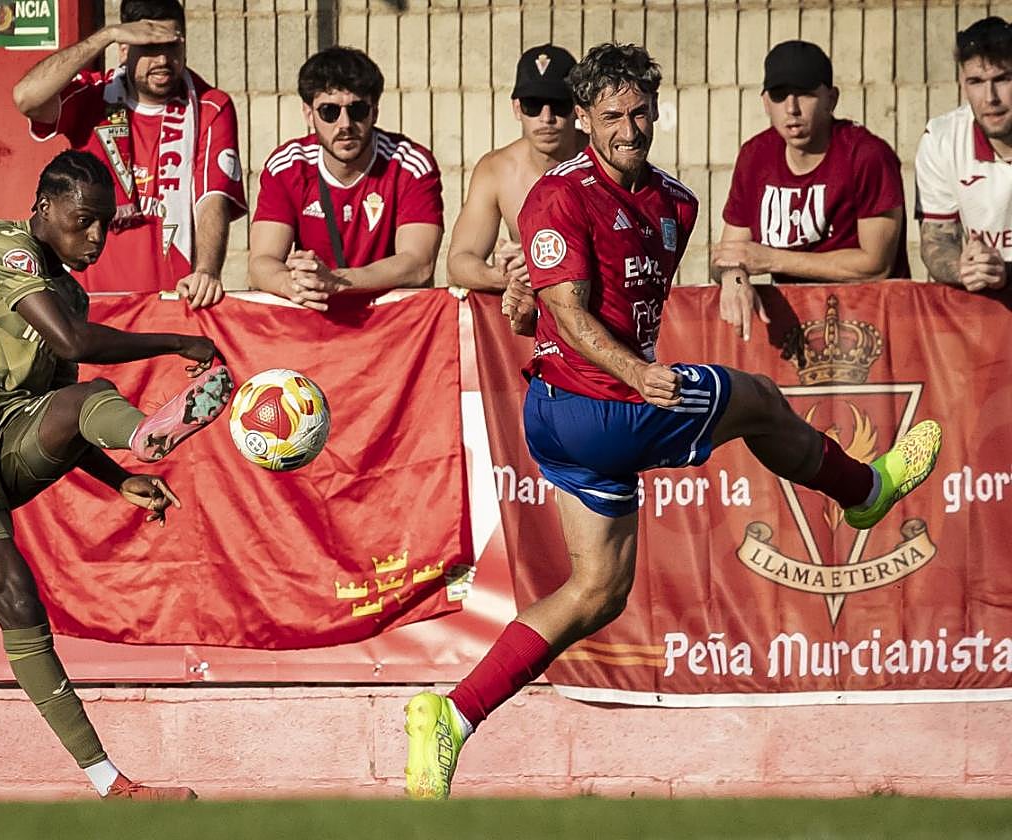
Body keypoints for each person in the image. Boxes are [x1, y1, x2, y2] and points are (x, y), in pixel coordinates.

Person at [403, 42, 943, 801]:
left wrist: (530, 307)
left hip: (571, 419)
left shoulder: (676, 205)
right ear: (584, 118)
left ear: (655, 110)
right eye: (610, 116)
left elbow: (541, 316)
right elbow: (568, 315)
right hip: (599, 407)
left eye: (638, 113)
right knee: (758, 398)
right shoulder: (558, 196)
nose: (627, 129)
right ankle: (864, 489)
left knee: (599, 591)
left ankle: (451, 715)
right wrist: (632, 371)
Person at [0, 150, 234, 800]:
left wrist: (119, 480)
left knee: (87, 398)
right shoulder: (0, 246)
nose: (97, 237)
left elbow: (63, 410)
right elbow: (73, 343)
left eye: (105, 223)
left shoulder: (71, 293)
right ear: (43, 207)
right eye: (84, 221)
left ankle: (141, 437)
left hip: (9, 441)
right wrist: (177, 341)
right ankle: (110, 783)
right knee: (18, 599)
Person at [12, 0, 246, 307]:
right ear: (124, 49)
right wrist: (105, 35)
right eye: (149, 47)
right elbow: (26, 98)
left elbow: (211, 200)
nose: (163, 59)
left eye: (172, 46)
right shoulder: (94, 93)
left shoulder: (209, 105)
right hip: (88, 301)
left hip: (172, 300)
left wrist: (206, 272)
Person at [714, 40, 910, 341]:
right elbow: (728, 256)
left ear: (831, 99)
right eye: (779, 95)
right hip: (792, 329)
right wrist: (734, 277)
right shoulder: (755, 155)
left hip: (871, 329)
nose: (791, 108)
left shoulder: (867, 155)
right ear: (765, 102)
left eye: (804, 93)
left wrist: (771, 259)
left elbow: (876, 265)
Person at [248, 47, 444, 311]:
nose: (345, 124)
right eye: (329, 111)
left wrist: (337, 281)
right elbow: (261, 262)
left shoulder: (409, 165)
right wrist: (293, 284)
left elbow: (418, 265)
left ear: (375, 111)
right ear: (308, 113)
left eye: (358, 109)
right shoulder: (288, 166)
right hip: (316, 315)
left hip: (391, 321)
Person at [447, 45, 585, 307]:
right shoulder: (497, 170)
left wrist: (541, 263)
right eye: (533, 105)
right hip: (535, 314)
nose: (546, 118)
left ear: (577, 108)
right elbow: (458, 263)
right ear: (516, 108)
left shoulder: (603, 160)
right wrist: (504, 275)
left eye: (559, 104)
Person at [916, 16, 1012, 292]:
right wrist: (963, 268)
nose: (990, 98)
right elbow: (936, 241)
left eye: (1002, 79)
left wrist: (1005, 271)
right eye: (976, 81)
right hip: (984, 300)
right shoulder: (941, 139)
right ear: (962, 82)